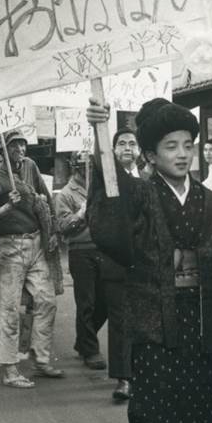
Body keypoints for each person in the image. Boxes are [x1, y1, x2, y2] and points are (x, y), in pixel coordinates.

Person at [86, 97, 212, 423]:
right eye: (171, 146)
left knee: (201, 418)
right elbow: (111, 201)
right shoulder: (140, 194)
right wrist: (99, 132)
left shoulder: (209, 201)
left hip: (201, 327)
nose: (183, 154)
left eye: (188, 145)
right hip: (155, 327)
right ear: (151, 156)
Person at [0, 129, 63, 388]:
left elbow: (46, 199)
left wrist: (52, 230)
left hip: (35, 242)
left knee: (46, 300)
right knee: (9, 308)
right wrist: (6, 207)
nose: (20, 150)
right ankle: (9, 368)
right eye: (14, 146)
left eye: (22, 145)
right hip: (9, 247)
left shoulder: (30, 167)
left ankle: (41, 357)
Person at [55, 151, 131, 401]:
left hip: (104, 250)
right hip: (81, 250)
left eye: (88, 166)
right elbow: (64, 228)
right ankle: (89, 348)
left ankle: (83, 338)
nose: (84, 170)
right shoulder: (67, 194)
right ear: (74, 168)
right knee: (85, 301)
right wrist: (82, 213)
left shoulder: (105, 187)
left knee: (107, 303)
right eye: (81, 166)